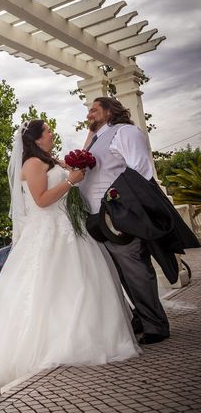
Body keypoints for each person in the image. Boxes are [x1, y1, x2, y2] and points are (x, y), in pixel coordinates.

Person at [0, 119, 140, 387]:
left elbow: (72, 171)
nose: (51, 132)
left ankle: (92, 336)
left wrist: (90, 138)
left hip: (68, 228)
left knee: (83, 282)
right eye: (46, 130)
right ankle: (57, 345)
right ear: (35, 139)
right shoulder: (32, 164)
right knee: (54, 287)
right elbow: (42, 200)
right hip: (48, 231)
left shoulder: (50, 159)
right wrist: (70, 181)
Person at [79, 97, 170, 344]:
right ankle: (143, 314)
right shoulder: (96, 140)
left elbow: (140, 171)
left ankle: (156, 325)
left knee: (135, 268)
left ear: (110, 111)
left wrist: (118, 206)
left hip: (119, 215)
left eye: (94, 110)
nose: (89, 115)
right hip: (99, 219)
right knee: (121, 272)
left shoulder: (126, 132)